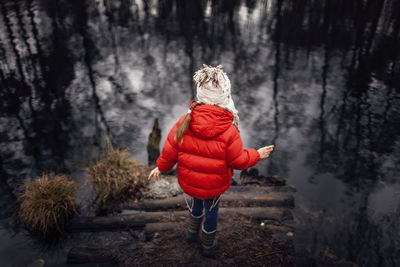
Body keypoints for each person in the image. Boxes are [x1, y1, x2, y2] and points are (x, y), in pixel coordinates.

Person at [148, 64, 274, 257]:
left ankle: (191, 234)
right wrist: (257, 154)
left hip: (190, 181)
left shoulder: (185, 120)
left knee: (196, 203)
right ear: (225, 98)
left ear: (200, 95)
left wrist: (160, 167)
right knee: (211, 210)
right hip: (214, 184)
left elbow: (170, 151)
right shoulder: (229, 130)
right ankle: (207, 246)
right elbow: (238, 161)